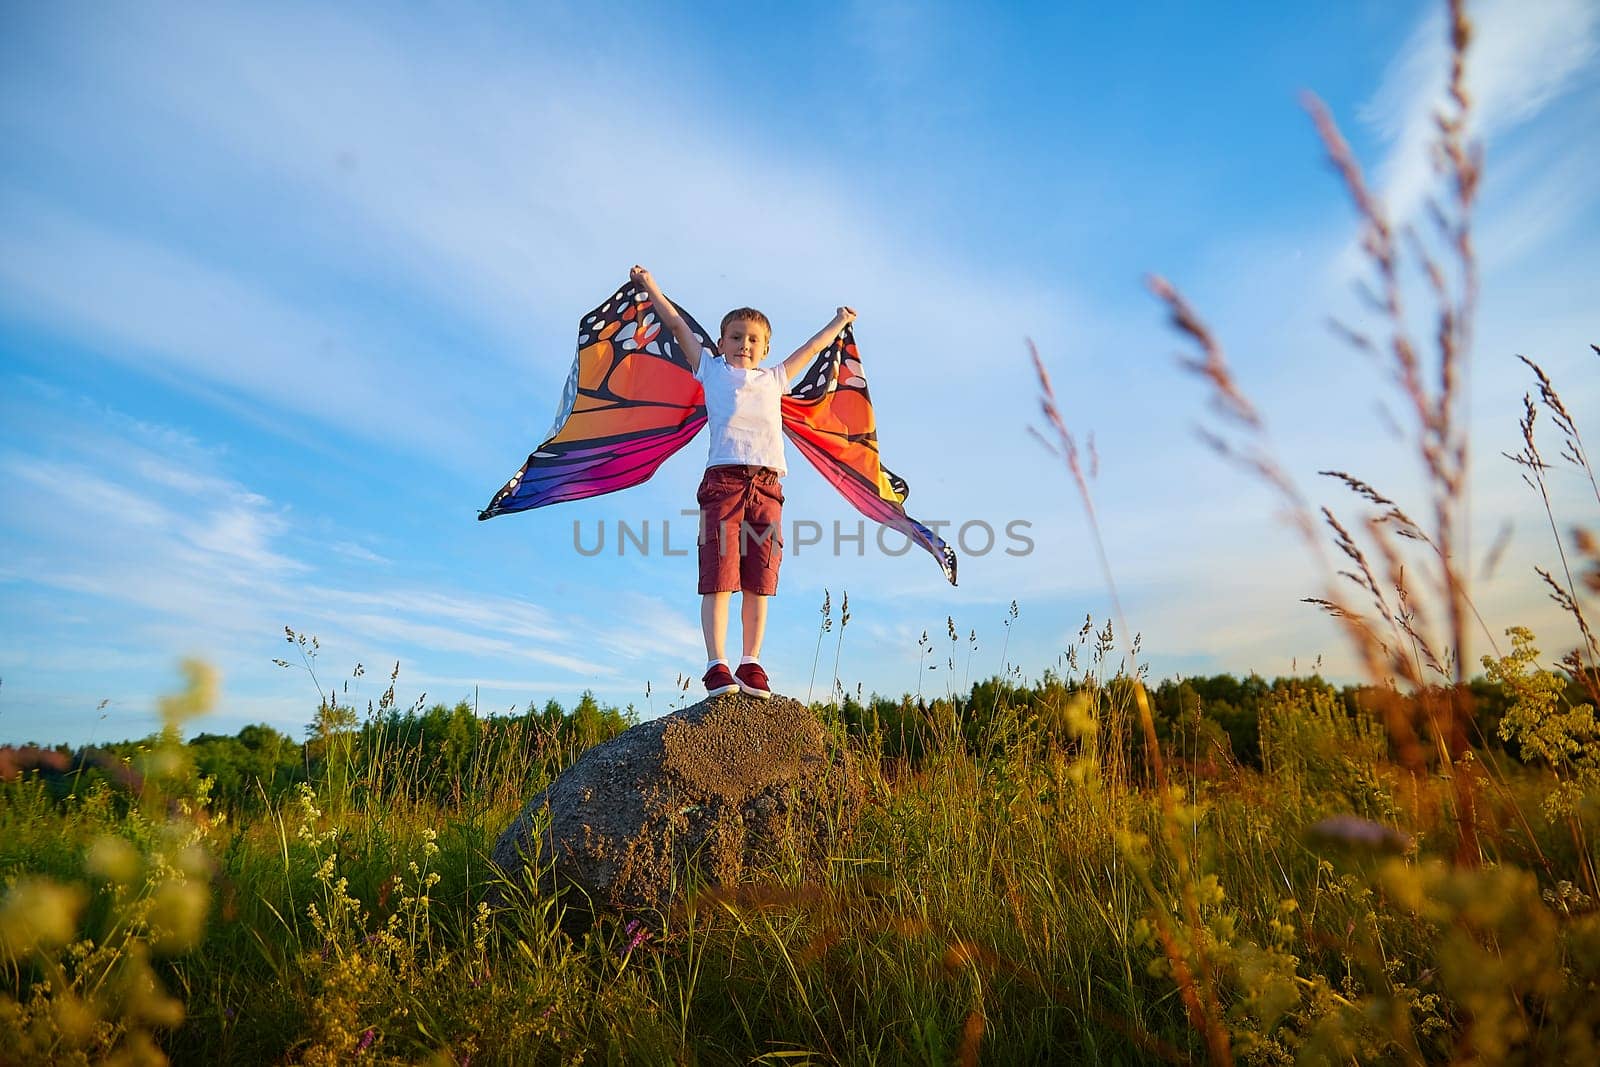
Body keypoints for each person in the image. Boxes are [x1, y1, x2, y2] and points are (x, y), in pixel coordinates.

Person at [629, 265, 855, 699]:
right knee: (719, 575)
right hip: (724, 483)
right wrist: (650, 286)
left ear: (766, 347)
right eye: (735, 337)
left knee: (759, 578)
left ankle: (751, 663)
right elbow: (675, 325)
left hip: (769, 486)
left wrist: (839, 321)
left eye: (753, 339)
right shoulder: (710, 370)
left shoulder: (775, 379)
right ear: (721, 342)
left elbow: (812, 348)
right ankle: (717, 666)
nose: (744, 345)